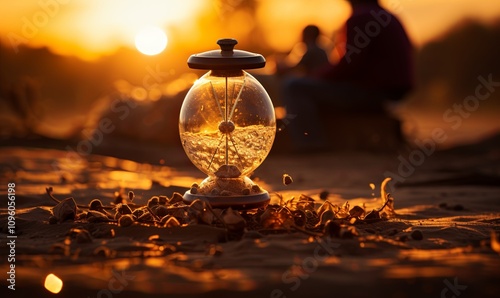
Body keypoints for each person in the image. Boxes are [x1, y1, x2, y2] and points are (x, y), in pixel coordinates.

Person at [282, 0, 414, 152]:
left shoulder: (361, 17)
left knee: (293, 86)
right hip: (391, 91)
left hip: (371, 91)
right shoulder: (388, 16)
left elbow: (349, 65)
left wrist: (316, 77)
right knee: (307, 88)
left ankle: (310, 144)